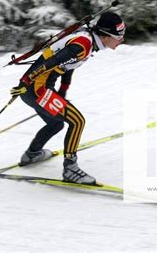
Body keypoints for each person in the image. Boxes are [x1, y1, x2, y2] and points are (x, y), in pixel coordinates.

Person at [10, 12, 125, 184]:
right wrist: (26, 81)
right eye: (119, 36)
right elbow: (53, 62)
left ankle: (31, 155)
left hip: (34, 89)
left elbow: (68, 67)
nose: (122, 40)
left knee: (56, 124)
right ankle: (70, 169)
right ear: (107, 35)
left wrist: (62, 93)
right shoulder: (84, 43)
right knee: (78, 121)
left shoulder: (87, 42)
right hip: (35, 88)